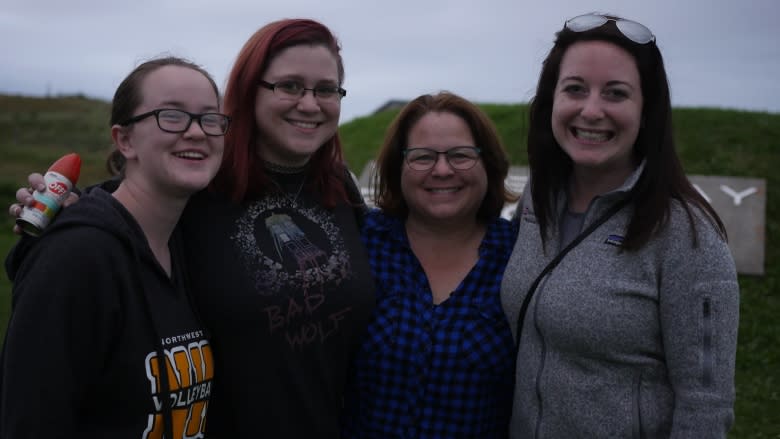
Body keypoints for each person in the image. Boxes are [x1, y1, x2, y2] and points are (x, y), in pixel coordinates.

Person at [7, 19, 375, 438]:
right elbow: (127, 203)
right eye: (289, 86)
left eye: (325, 89)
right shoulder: (202, 182)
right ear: (249, 90)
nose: (309, 103)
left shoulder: (338, 186)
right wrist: (66, 216)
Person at [500, 13, 740, 438]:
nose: (592, 110)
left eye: (616, 94)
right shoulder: (538, 198)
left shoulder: (687, 235)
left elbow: (705, 405)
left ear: (646, 111)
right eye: (575, 89)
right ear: (551, 99)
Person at [0, 56, 226, 438]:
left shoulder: (187, 243)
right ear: (124, 140)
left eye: (210, 118)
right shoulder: (78, 256)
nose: (197, 132)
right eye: (172, 115)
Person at [341, 92, 518, 438]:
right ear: (397, 168)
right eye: (422, 157)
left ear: (489, 164)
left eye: (460, 156)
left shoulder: (518, 256)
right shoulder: (362, 243)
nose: (441, 170)